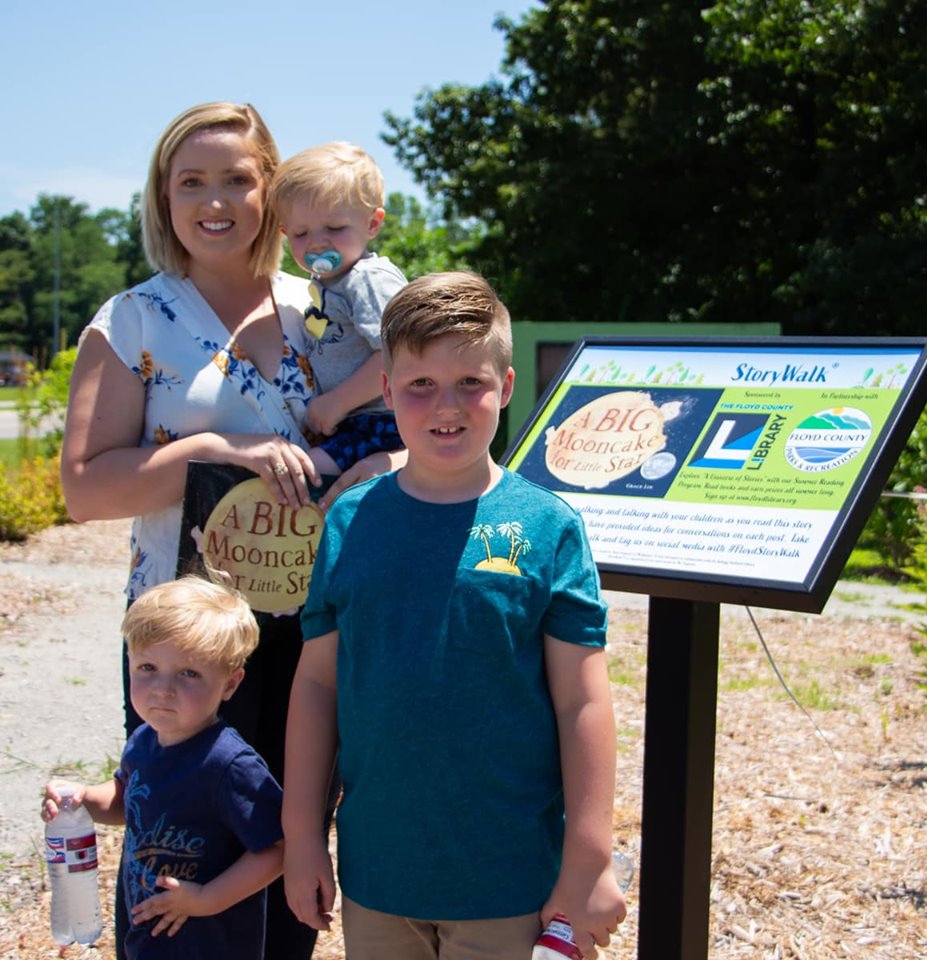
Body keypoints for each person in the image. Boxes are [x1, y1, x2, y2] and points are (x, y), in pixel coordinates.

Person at [59, 101, 403, 960]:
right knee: (185, 853)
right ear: (163, 197)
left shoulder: (323, 299)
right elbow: (83, 489)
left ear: (272, 192)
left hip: (318, 622)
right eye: (191, 182)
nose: (215, 201)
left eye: (237, 180)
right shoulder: (132, 319)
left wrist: (380, 464)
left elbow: (408, 405)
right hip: (189, 641)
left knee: (294, 842)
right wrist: (212, 449)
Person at [283, 272, 627, 960]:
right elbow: (318, 685)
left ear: (506, 385)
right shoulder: (349, 521)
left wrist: (589, 859)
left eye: (471, 382)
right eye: (421, 384)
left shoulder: (549, 526)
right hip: (379, 872)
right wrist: (301, 837)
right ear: (387, 391)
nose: (447, 405)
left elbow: (582, 702)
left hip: (510, 877)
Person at [42, 577, 283, 960]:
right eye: (148, 667)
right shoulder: (144, 742)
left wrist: (207, 898)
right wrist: (83, 799)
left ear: (230, 683)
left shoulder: (229, 765)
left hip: (210, 944)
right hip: (148, 938)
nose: (162, 688)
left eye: (189, 673)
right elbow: (128, 800)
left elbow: (277, 849)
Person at [268, 141, 407, 476]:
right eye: (301, 233)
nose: (317, 242)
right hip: (354, 422)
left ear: (372, 224)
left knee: (305, 476)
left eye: (334, 228)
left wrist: (338, 402)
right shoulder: (327, 284)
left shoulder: (368, 279)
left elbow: (401, 354)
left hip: (382, 422)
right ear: (285, 233)